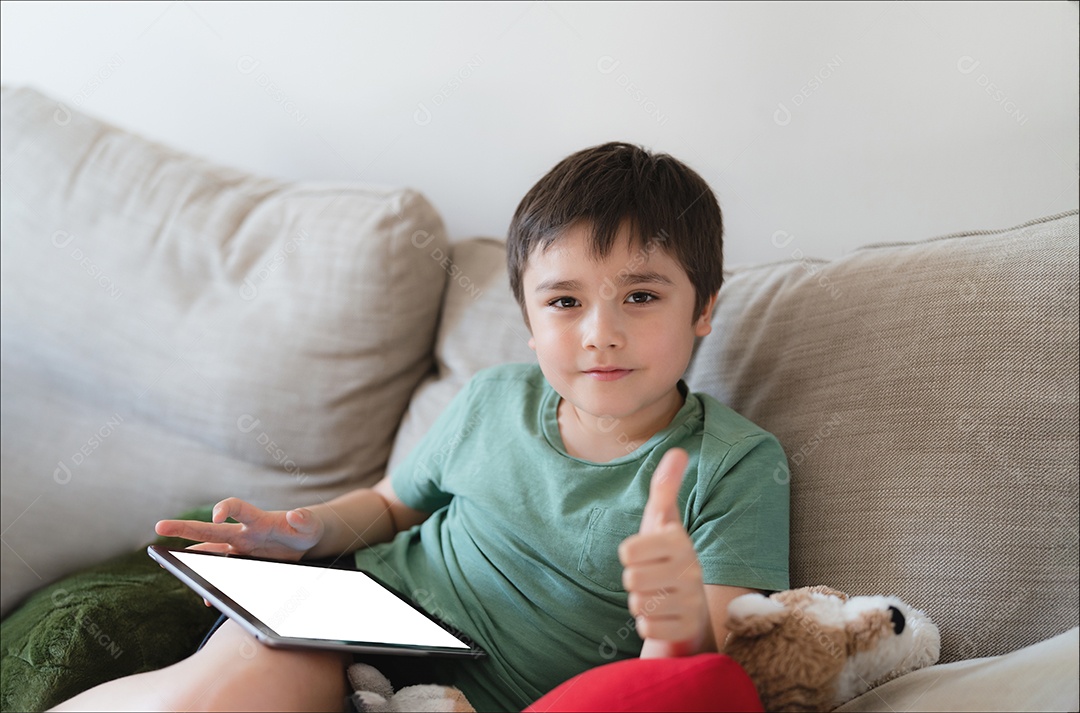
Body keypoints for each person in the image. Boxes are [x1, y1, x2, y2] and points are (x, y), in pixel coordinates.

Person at [53, 142, 789, 712]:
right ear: (529, 322)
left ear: (703, 309)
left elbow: (715, 668)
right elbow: (390, 504)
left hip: (470, 700)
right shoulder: (494, 398)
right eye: (565, 302)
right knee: (217, 692)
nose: (601, 332)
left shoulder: (735, 463)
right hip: (353, 628)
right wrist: (306, 531)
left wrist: (681, 616)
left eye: (639, 295)